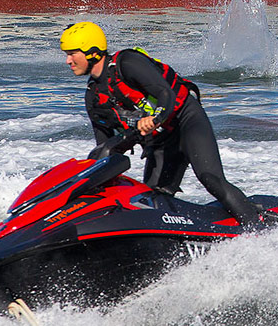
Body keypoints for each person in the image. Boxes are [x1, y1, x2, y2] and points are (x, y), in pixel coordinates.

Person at [59, 21, 264, 226]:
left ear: (92, 52)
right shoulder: (93, 96)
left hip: (187, 121)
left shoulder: (127, 62)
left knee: (211, 179)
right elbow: (104, 150)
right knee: (152, 199)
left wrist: (155, 119)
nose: (68, 60)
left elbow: (165, 94)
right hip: (161, 143)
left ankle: (257, 229)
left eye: (72, 53)